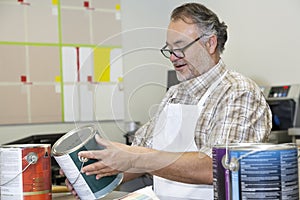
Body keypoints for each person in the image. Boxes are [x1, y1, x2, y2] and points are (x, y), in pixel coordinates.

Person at [64, 2, 272, 199]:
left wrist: (134, 156)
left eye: (180, 47)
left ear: (210, 43)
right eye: (169, 49)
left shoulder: (238, 92)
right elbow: (138, 155)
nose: (173, 57)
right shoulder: (174, 94)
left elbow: (218, 167)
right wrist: (95, 175)